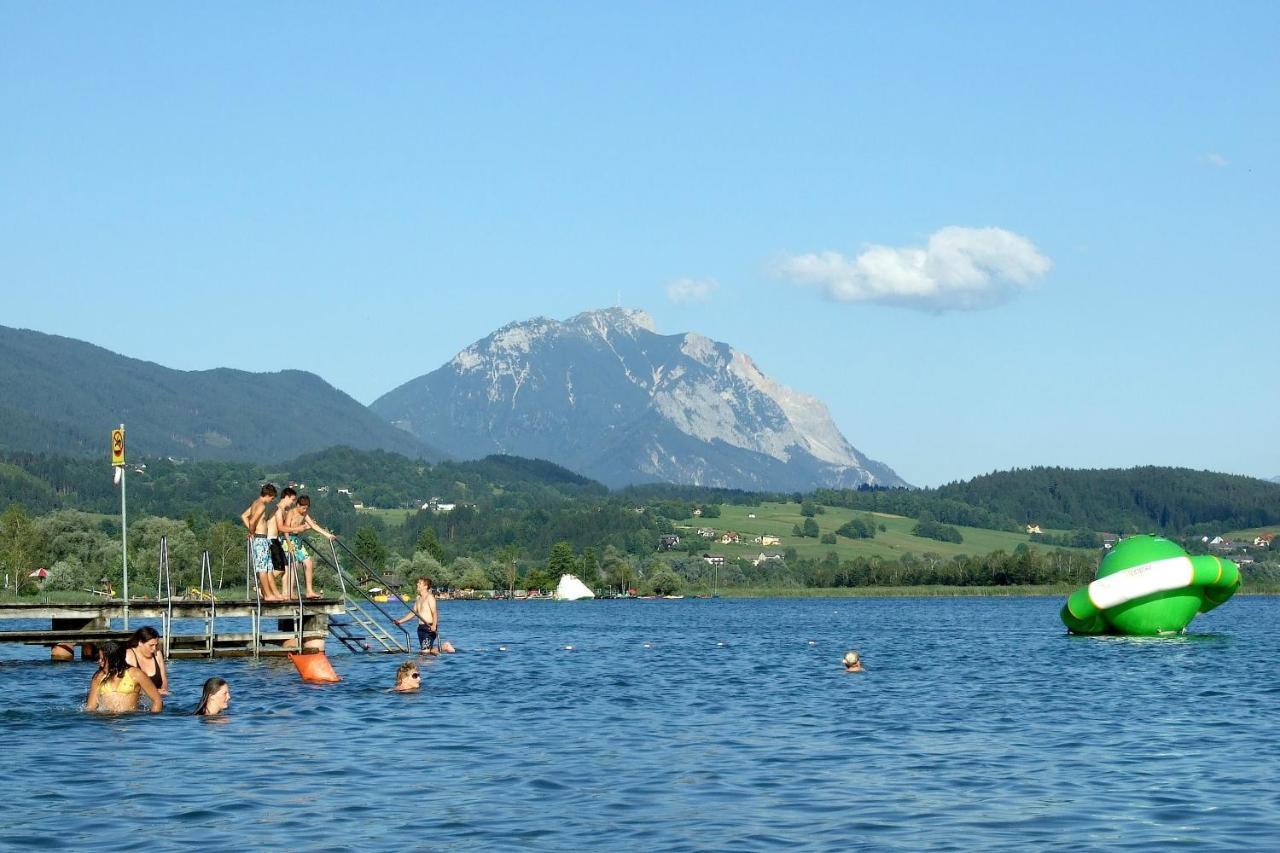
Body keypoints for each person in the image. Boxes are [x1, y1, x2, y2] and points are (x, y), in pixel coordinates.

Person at [280, 495, 337, 599]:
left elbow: (314, 526)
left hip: (297, 540)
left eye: (306, 508)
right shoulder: (291, 513)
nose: (304, 510)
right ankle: (290, 591)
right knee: (294, 565)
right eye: (303, 508)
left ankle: (309, 591)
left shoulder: (304, 514)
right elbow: (285, 529)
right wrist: (288, 543)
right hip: (288, 540)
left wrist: (327, 535)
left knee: (308, 562)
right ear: (297, 505)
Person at [86, 643, 163, 713]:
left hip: (131, 722)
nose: (99, 662)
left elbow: (157, 700)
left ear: (114, 660)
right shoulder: (98, 677)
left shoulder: (136, 674)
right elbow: (91, 708)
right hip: (105, 722)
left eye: (103, 659)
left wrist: (152, 720)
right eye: (99, 658)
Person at [241, 483, 281, 601]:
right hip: (260, 539)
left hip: (262, 539)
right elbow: (252, 521)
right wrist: (252, 532)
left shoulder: (255, 503)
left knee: (268, 567)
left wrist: (251, 530)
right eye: (272, 498)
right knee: (263, 568)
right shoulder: (262, 506)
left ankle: (267, 593)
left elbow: (244, 516)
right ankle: (268, 595)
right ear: (268, 495)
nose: (272, 500)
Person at [393, 577, 439, 655]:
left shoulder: (430, 597)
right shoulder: (418, 598)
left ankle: (427, 665)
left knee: (424, 653)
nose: (417, 584)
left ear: (426, 586)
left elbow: (435, 613)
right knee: (426, 650)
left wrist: (434, 625)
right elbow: (413, 613)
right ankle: (445, 647)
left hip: (429, 627)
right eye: (417, 583)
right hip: (420, 628)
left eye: (420, 583)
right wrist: (399, 621)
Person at [269, 487, 298, 598]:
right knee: (279, 569)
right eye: (292, 499)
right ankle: (261, 586)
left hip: (277, 540)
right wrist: (298, 528)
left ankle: (285, 593)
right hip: (272, 539)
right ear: (286, 497)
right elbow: (281, 527)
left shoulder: (284, 511)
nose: (293, 502)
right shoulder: (278, 510)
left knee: (285, 568)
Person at [123, 625, 169, 695]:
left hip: (158, 697)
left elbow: (164, 680)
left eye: (156, 645)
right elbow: (129, 686)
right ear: (140, 643)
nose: (154, 649)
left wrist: (164, 690)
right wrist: (155, 692)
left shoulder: (157, 653)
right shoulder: (129, 655)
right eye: (151, 645)